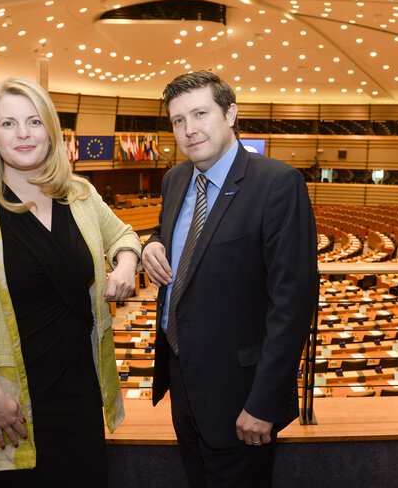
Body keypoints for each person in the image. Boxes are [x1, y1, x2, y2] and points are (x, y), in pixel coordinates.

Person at [0, 78, 140, 486]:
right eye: (9, 124)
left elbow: (124, 236)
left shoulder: (79, 194)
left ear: (51, 131)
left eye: (34, 121)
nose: (24, 133)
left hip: (80, 392)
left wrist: (125, 265)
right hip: (10, 403)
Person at [142, 71, 317, 487]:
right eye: (178, 120)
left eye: (200, 113)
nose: (189, 129)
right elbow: (177, 235)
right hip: (183, 382)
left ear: (231, 114)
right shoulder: (175, 178)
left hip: (242, 393)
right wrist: (151, 243)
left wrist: (264, 403)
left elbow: (291, 306)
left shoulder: (278, 183)